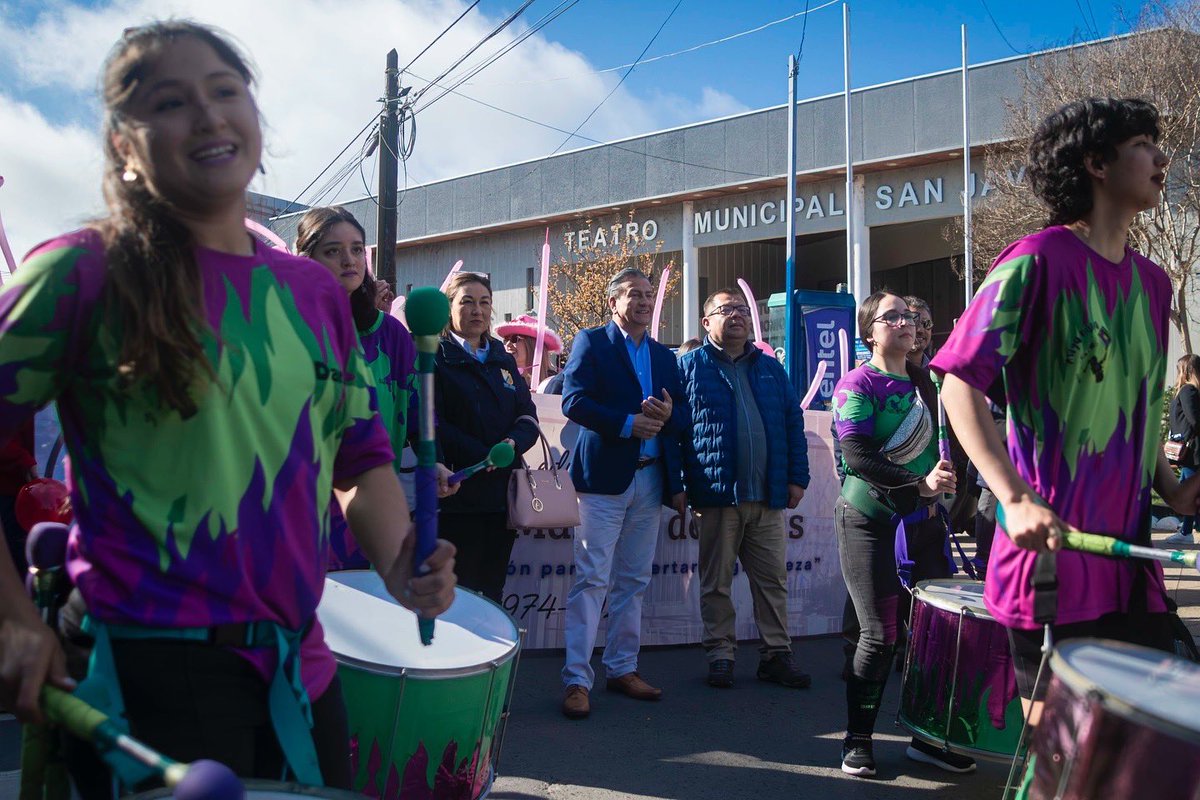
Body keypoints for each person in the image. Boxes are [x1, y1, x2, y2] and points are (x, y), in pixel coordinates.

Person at [0, 22, 455, 794]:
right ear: (123, 146)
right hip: (146, 673)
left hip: (302, 671)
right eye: (171, 102)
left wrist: (402, 562)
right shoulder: (81, 275)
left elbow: (359, 457)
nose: (209, 116)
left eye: (224, 92)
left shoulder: (313, 293)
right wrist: (13, 619)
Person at [934, 99, 1198, 732]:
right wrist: (1014, 499)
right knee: (1067, 764)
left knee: (1139, 761)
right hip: (1053, 562)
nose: (1162, 158)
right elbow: (958, 384)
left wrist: (1176, 491)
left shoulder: (1155, 284)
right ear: (1095, 163)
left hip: (1131, 562)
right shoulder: (1036, 260)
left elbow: (1129, 411)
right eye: (1143, 143)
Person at [831, 291, 968, 778]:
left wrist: (950, 485)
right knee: (879, 634)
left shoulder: (929, 382)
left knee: (933, 634)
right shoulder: (857, 383)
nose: (907, 322)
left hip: (924, 523)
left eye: (910, 316)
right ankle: (857, 740)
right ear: (870, 331)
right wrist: (919, 484)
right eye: (893, 316)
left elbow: (954, 441)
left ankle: (928, 739)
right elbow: (859, 457)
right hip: (868, 521)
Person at [294, 205, 455, 570]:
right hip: (295, 504)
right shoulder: (284, 325)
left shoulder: (389, 332)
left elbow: (417, 409)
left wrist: (435, 461)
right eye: (332, 251)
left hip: (368, 502)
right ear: (305, 258)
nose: (348, 260)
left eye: (356, 249)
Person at [559, 268, 686, 720]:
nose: (644, 302)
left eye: (649, 295)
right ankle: (577, 679)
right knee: (592, 580)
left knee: (633, 581)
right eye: (634, 294)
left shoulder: (664, 356)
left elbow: (682, 418)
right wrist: (627, 423)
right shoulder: (591, 342)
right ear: (614, 301)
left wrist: (670, 414)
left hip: (651, 481)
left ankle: (622, 668)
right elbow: (572, 401)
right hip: (603, 482)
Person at [678, 289, 811, 690]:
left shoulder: (771, 368)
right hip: (716, 494)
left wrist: (796, 478)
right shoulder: (688, 368)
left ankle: (776, 654)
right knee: (716, 582)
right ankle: (720, 654)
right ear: (706, 323)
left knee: (772, 581)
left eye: (740, 309)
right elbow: (676, 435)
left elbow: (793, 424)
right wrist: (680, 485)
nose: (736, 315)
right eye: (725, 310)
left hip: (767, 496)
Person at [436, 273, 539, 602]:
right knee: (456, 592)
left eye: (484, 303)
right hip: (455, 496)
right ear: (450, 308)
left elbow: (527, 416)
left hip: (500, 498)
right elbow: (427, 422)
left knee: (492, 590)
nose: (477, 310)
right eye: (466, 301)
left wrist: (511, 445)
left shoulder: (502, 359)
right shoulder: (434, 357)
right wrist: (481, 455)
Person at [1167, 354, 1200, 544]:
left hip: (1192, 452)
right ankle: (1186, 531)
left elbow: (1194, 420)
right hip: (1192, 452)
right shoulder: (1191, 390)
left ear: (1186, 370)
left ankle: (1186, 532)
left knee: (1187, 493)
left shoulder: (1188, 390)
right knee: (1188, 493)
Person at [495, 313, 563, 392]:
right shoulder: (500, 377)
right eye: (506, 339)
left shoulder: (554, 384)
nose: (508, 344)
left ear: (532, 344)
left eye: (514, 339)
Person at [904, 296, 933, 368]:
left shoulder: (937, 370)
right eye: (913, 322)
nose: (920, 330)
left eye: (926, 323)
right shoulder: (887, 370)